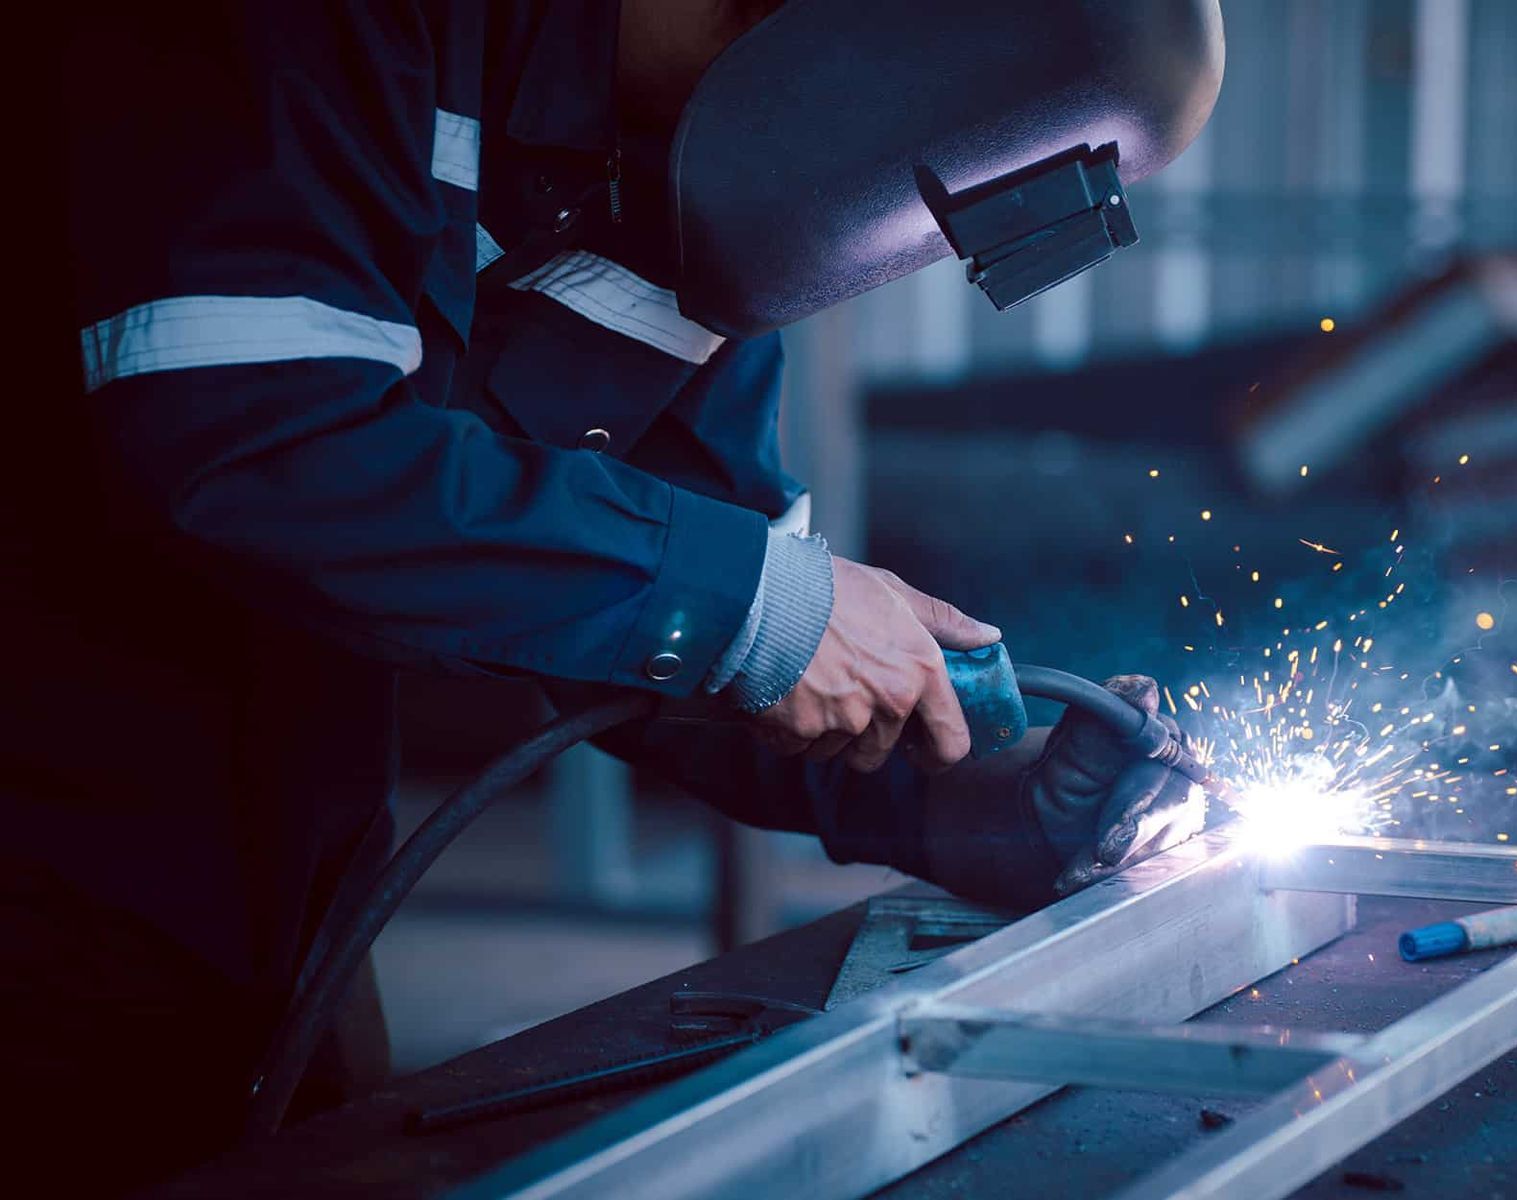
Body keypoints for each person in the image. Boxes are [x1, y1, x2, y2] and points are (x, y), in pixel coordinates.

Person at [5, 0, 1222, 1190]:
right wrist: (762, 607)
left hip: (281, 865)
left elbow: (703, 630)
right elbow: (264, 434)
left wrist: (988, 797)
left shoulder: (697, 180)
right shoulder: (329, 31)